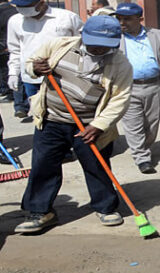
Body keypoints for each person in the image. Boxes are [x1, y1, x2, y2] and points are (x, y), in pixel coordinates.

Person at [14, 16, 132, 234]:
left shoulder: (120, 63)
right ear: (83, 36)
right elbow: (31, 64)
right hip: (51, 119)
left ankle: (105, 207)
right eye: (94, 43)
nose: (98, 49)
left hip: (88, 124)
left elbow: (120, 99)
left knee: (96, 166)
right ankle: (40, 212)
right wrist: (36, 69)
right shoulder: (59, 45)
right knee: (43, 166)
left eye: (104, 46)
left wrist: (99, 125)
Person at [114, 3, 160, 174]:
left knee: (151, 124)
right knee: (133, 124)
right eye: (119, 19)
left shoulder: (158, 36)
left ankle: (145, 147)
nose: (121, 23)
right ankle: (142, 158)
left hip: (154, 86)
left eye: (127, 19)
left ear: (139, 19)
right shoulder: (115, 38)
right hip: (128, 87)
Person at [7, 0, 83, 118]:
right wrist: (13, 73)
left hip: (64, 76)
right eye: (18, 6)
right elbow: (15, 50)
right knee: (40, 114)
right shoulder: (15, 21)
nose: (21, 9)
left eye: (26, 6)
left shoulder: (67, 17)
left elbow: (82, 44)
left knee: (68, 113)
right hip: (32, 78)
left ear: (41, 3)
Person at [0, 0, 17, 101]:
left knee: (4, 70)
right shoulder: (15, 10)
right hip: (14, 43)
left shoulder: (1, 12)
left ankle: (8, 92)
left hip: (3, 44)